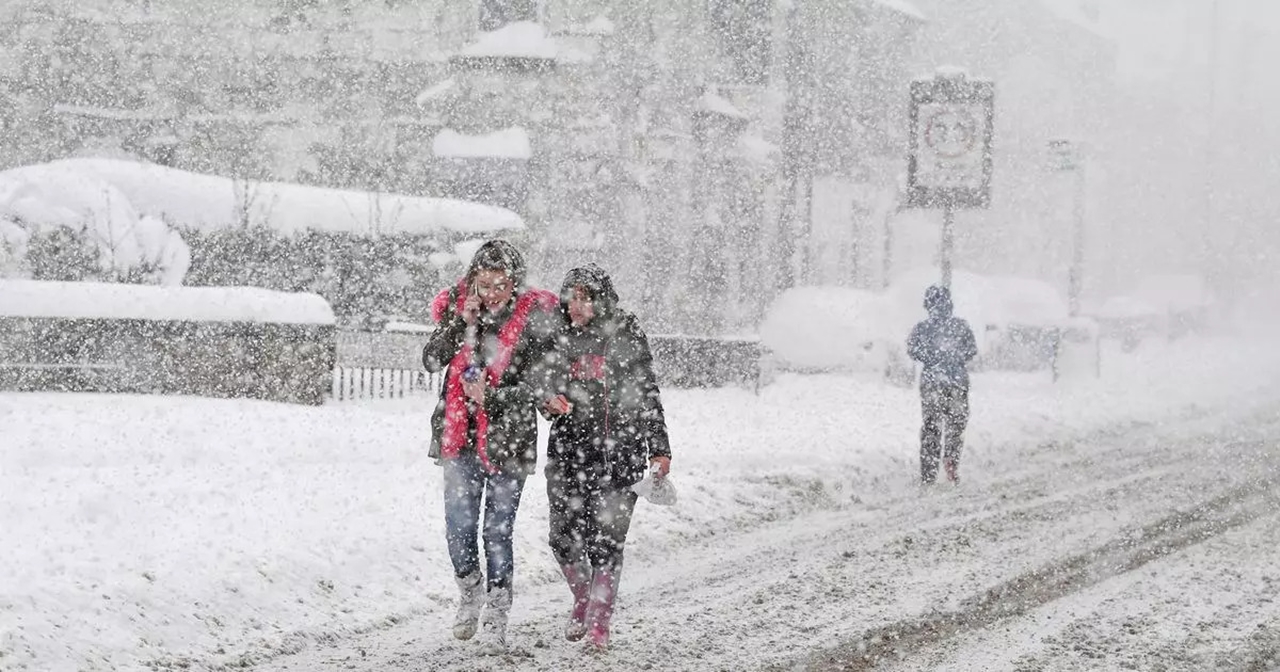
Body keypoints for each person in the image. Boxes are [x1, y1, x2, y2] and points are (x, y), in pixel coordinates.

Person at [421, 240, 559, 653]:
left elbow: (542, 387)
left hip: (509, 443)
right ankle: (470, 591)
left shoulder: (532, 322)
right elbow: (430, 360)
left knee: (497, 532)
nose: (492, 293)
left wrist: (492, 398)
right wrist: (457, 325)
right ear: (473, 283)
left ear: (514, 283)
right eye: (484, 285)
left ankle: (497, 613)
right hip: (459, 438)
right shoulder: (461, 311)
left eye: (500, 285)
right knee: (458, 527)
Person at [541, 264, 672, 651]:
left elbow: (648, 393)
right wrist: (548, 401)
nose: (576, 306)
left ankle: (599, 621)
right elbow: (540, 384)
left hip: (620, 455)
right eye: (571, 298)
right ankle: (582, 598)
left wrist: (659, 448)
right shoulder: (557, 337)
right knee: (562, 538)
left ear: (603, 300)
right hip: (568, 454)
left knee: (607, 542)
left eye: (585, 298)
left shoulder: (626, 334)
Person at [907, 284, 977, 484]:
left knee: (931, 426)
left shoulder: (921, 329)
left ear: (927, 305)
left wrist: (932, 359)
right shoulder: (961, 327)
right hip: (957, 383)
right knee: (955, 425)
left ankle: (928, 471)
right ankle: (951, 461)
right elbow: (971, 350)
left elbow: (912, 350)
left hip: (932, 383)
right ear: (950, 305)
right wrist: (954, 359)